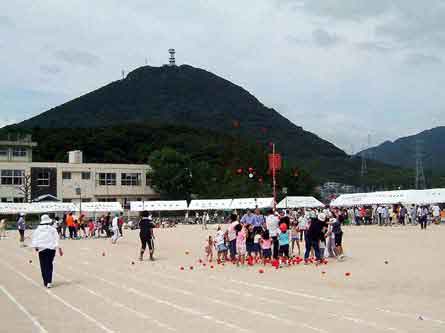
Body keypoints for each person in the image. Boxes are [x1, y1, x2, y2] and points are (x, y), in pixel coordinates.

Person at [31, 215, 63, 288]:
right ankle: (49, 281)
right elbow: (56, 238)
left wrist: (36, 247)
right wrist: (59, 248)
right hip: (51, 249)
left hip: (42, 249)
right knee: (49, 264)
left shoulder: (37, 230)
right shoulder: (52, 229)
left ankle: (45, 281)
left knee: (43, 265)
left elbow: (35, 239)